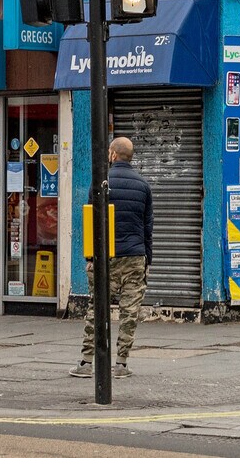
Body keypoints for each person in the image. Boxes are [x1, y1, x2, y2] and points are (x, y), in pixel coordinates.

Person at [73, 136, 152, 379]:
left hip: (105, 256)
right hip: (134, 256)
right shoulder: (143, 185)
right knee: (130, 312)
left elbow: (91, 222)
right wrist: (147, 257)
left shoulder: (101, 183)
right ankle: (121, 364)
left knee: (97, 308)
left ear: (113, 155)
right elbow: (147, 226)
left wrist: (89, 256)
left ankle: (87, 362)